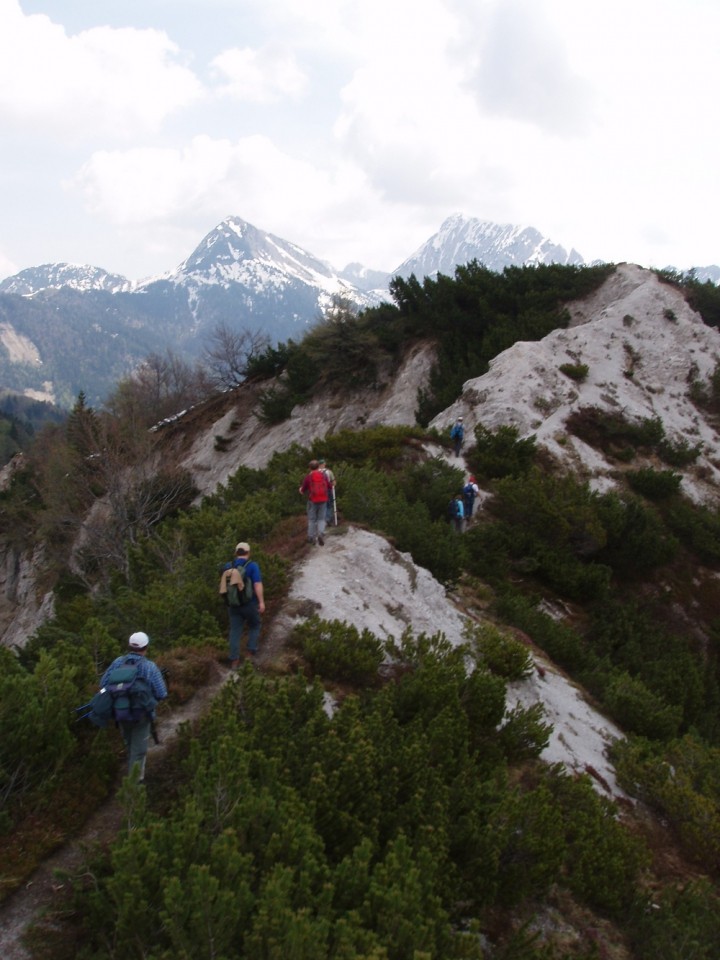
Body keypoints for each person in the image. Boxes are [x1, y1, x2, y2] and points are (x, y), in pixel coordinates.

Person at [99, 631, 168, 782]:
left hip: (121, 712)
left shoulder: (118, 662)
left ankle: (133, 776)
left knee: (130, 745)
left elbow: (103, 684)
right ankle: (135, 788)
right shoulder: (150, 667)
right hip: (142, 715)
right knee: (139, 751)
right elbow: (162, 693)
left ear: (129, 646)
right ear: (146, 647)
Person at [223, 542, 265, 667]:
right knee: (255, 625)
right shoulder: (252, 566)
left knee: (235, 631)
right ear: (248, 553)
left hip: (233, 605)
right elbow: (257, 584)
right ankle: (250, 653)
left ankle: (234, 660)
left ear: (236, 553)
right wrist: (261, 602)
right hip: (250, 603)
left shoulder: (228, 566)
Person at [299, 459, 330, 545]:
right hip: (323, 500)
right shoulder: (323, 475)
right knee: (321, 518)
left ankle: (311, 537)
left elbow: (303, 490)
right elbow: (329, 486)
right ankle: (320, 533)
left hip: (312, 500)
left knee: (312, 519)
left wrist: (300, 490)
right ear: (318, 466)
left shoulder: (308, 477)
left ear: (310, 468)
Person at [319, 457, 336, 526]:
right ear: (324, 464)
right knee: (329, 505)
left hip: (318, 492)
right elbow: (334, 482)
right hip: (328, 490)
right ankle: (328, 519)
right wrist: (332, 485)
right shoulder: (329, 472)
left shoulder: (315, 472)